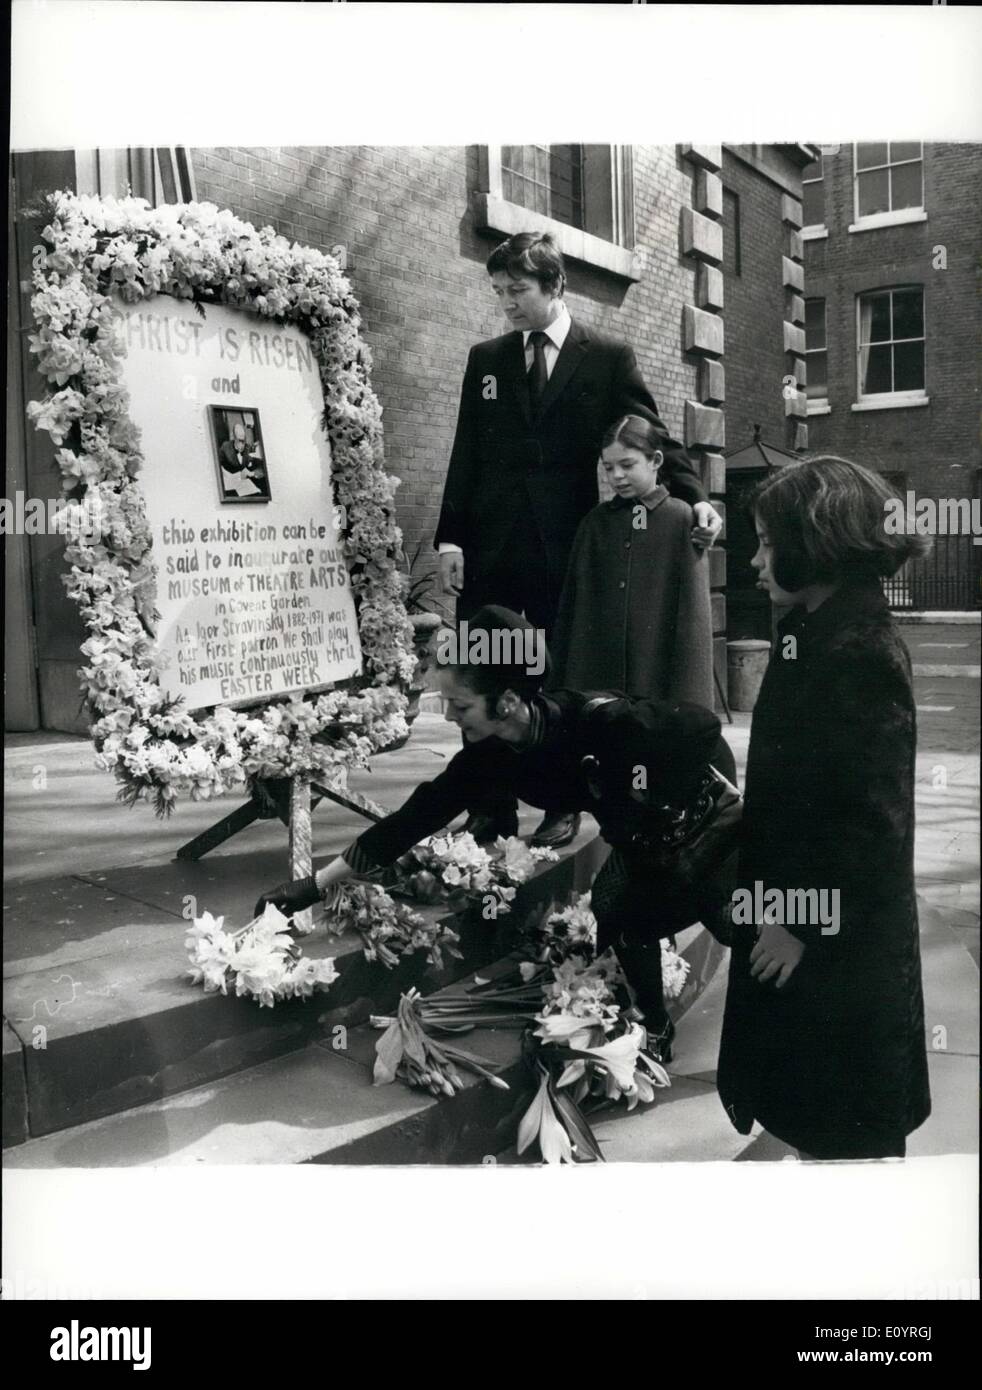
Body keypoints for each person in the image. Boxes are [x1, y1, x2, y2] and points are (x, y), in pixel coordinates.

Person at [256, 606, 734, 1061]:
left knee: (735, 923)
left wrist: (650, 798)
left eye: (458, 704)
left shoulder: (601, 722)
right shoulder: (492, 754)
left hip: (699, 825)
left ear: (505, 702)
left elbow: (703, 727)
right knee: (618, 917)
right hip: (640, 841)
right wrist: (314, 886)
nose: (447, 717)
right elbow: (414, 818)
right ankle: (655, 1029)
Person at [434, 231, 723, 850]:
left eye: (518, 291)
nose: (506, 303)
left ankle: (560, 802)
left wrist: (697, 496)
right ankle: (490, 809)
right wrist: (451, 537)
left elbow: (654, 436)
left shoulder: (607, 355)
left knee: (550, 680)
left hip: (564, 548)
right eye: (499, 292)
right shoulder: (487, 359)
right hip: (489, 547)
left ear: (555, 286)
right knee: (481, 671)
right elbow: (467, 450)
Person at [716, 456, 932, 1160]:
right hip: (803, 927)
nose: (753, 561)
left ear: (821, 543)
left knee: (847, 1136)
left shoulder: (858, 651)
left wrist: (801, 926)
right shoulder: (814, 631)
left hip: (840, 954)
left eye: (768, 543)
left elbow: (871, 824)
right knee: (815, 1124)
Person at [550, 414, 715, 710]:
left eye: (627, 465)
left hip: (658, 684)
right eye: (609, 467)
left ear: (656, 461)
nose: (616, 477)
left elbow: (694, 621)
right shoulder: (594, 524)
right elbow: (572, 613)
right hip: (598, 686)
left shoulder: (682, 520)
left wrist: (692, 709)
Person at [219, 423, 264, 498]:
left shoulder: (247, 447)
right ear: (234, 437)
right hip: (229, 486)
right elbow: (217, 465)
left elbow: (260, 465)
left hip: (244, 486)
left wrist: (252, 473)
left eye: (243, 441)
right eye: (239, 440)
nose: (242, 444)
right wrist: (226, 475)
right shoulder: (225, 447)